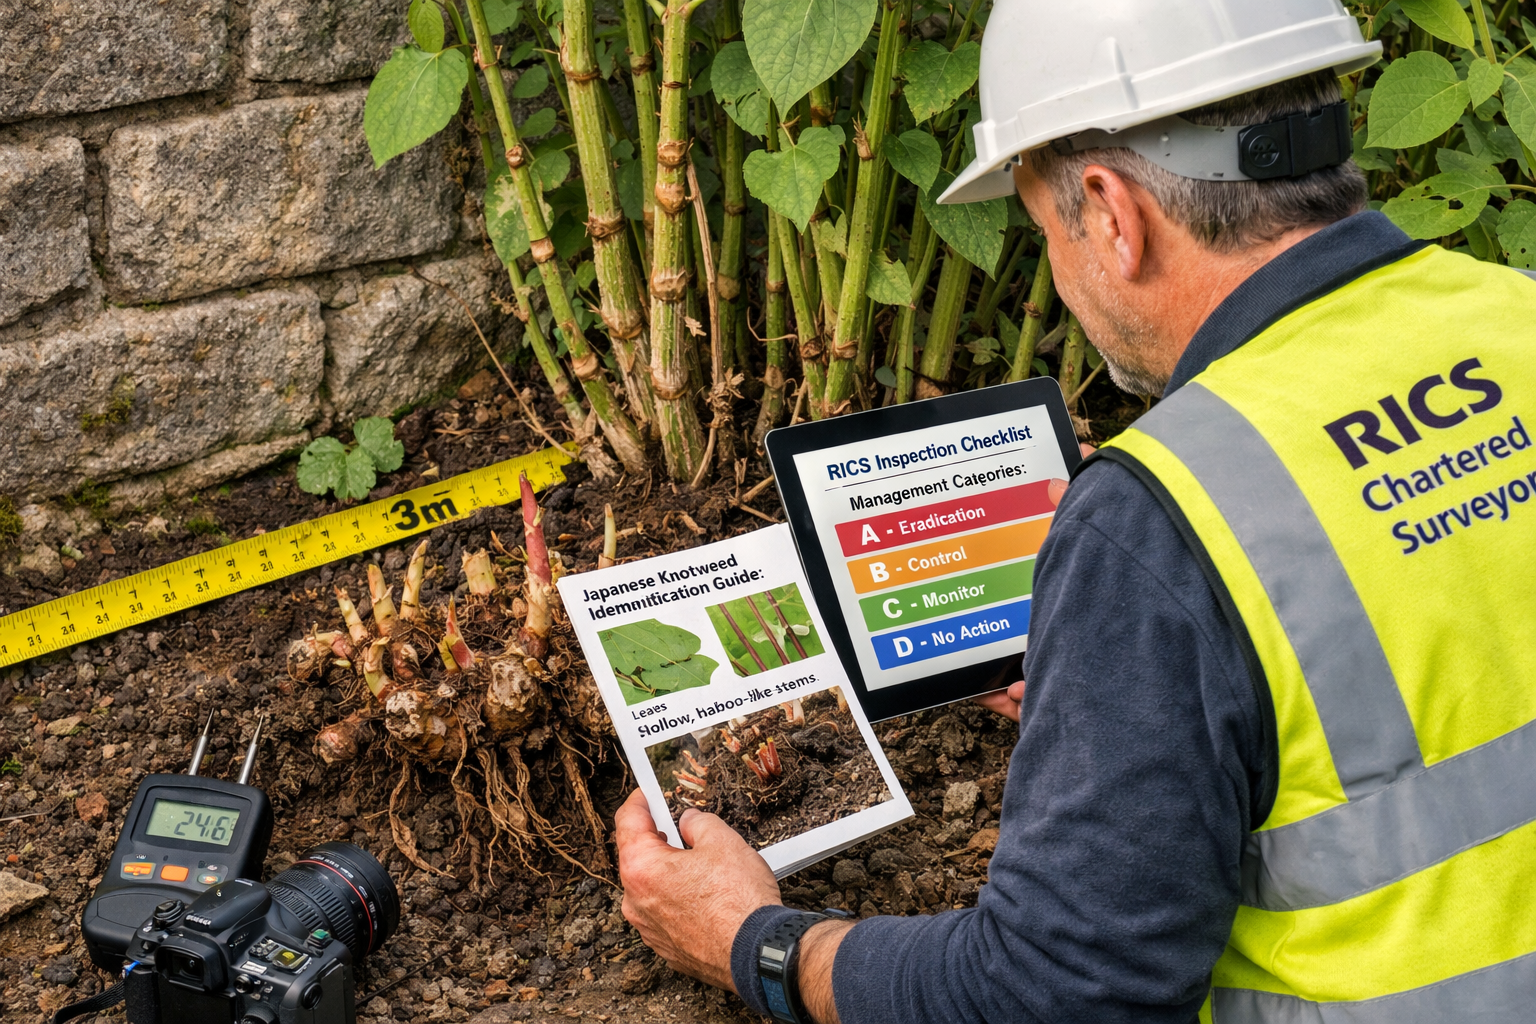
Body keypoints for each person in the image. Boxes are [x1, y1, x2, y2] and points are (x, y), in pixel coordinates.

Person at [615, 0, 1536, 1020]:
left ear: (1108, 209)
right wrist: (1139, 689)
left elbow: (1054, 993)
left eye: (1044, 223)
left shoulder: (1162, 518)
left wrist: (758, 942)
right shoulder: (1519, 310)